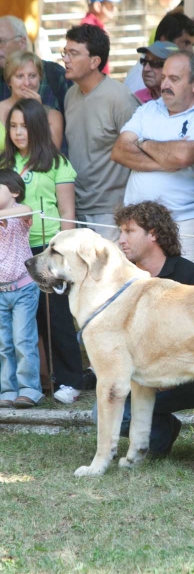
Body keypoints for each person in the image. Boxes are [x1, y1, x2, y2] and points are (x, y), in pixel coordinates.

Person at [92, 201, 194, 457]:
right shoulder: (117, 281)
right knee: (100, 412)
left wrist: (169, 370)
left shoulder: (189, 275)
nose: (120, 240)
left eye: (129, 231)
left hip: (189, 376)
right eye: (120, 232)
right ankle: (165, 428)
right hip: (141, 379)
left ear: (153, 234)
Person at [111, 51, 194, 282]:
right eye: (164, 78)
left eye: (174, 79)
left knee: (191, 299)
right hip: (138, 229)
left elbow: (184, 156)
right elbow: (119, 151)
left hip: (185, 224)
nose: (165, 84)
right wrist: (166, 159)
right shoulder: (147, 109)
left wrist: (142, 142)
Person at [0, 98, 84, 404]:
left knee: (56, 315)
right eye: (13, 126)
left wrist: (63, 253)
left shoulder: (57, 163)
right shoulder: (3, 164)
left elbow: (66, 213)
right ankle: (32, 384)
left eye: (24, 126)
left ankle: (71, 380)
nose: (19, 133)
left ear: (37, 128)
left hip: (46, 247)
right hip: (10, 248)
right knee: (21, 321)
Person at [63, 24, 139, 242]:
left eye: (74, 53)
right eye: (65, 53)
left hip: (111, 212)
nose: (66, 59)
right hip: (76, 207)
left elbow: (139, 151)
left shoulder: (120, 99)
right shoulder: (70, 95)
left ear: (95, 62)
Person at [0, 169, 43, 408]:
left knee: (23, 340)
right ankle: (8, 389)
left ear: (15, 191)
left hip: (24, 289)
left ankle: (29, 389)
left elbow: (27, 212)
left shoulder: (21, 212)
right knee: (3, 344)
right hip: (0, 291)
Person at [0, 16, 72, 117]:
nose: (26, 82)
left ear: (22, 42)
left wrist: (39, 110)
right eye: (19, 76)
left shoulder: (54, 74)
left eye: (1, 42)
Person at [0, 51, 63, 150]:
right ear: (9, 81)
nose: (27, 83)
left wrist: (38, 113)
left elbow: (52, 154)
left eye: (32, 76)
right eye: (20, 76)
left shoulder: (53, 116)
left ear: (40, 78)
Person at [124, 13, 194, 95]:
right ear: (164, 40)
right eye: (186, 42)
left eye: (192, 45)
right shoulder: (140, 81)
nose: (191, 50)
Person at [81, 0, 121, 75]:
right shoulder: (89, 27)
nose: (114, 9)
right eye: (110, 5)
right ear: (97, 6)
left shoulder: (96, 25)